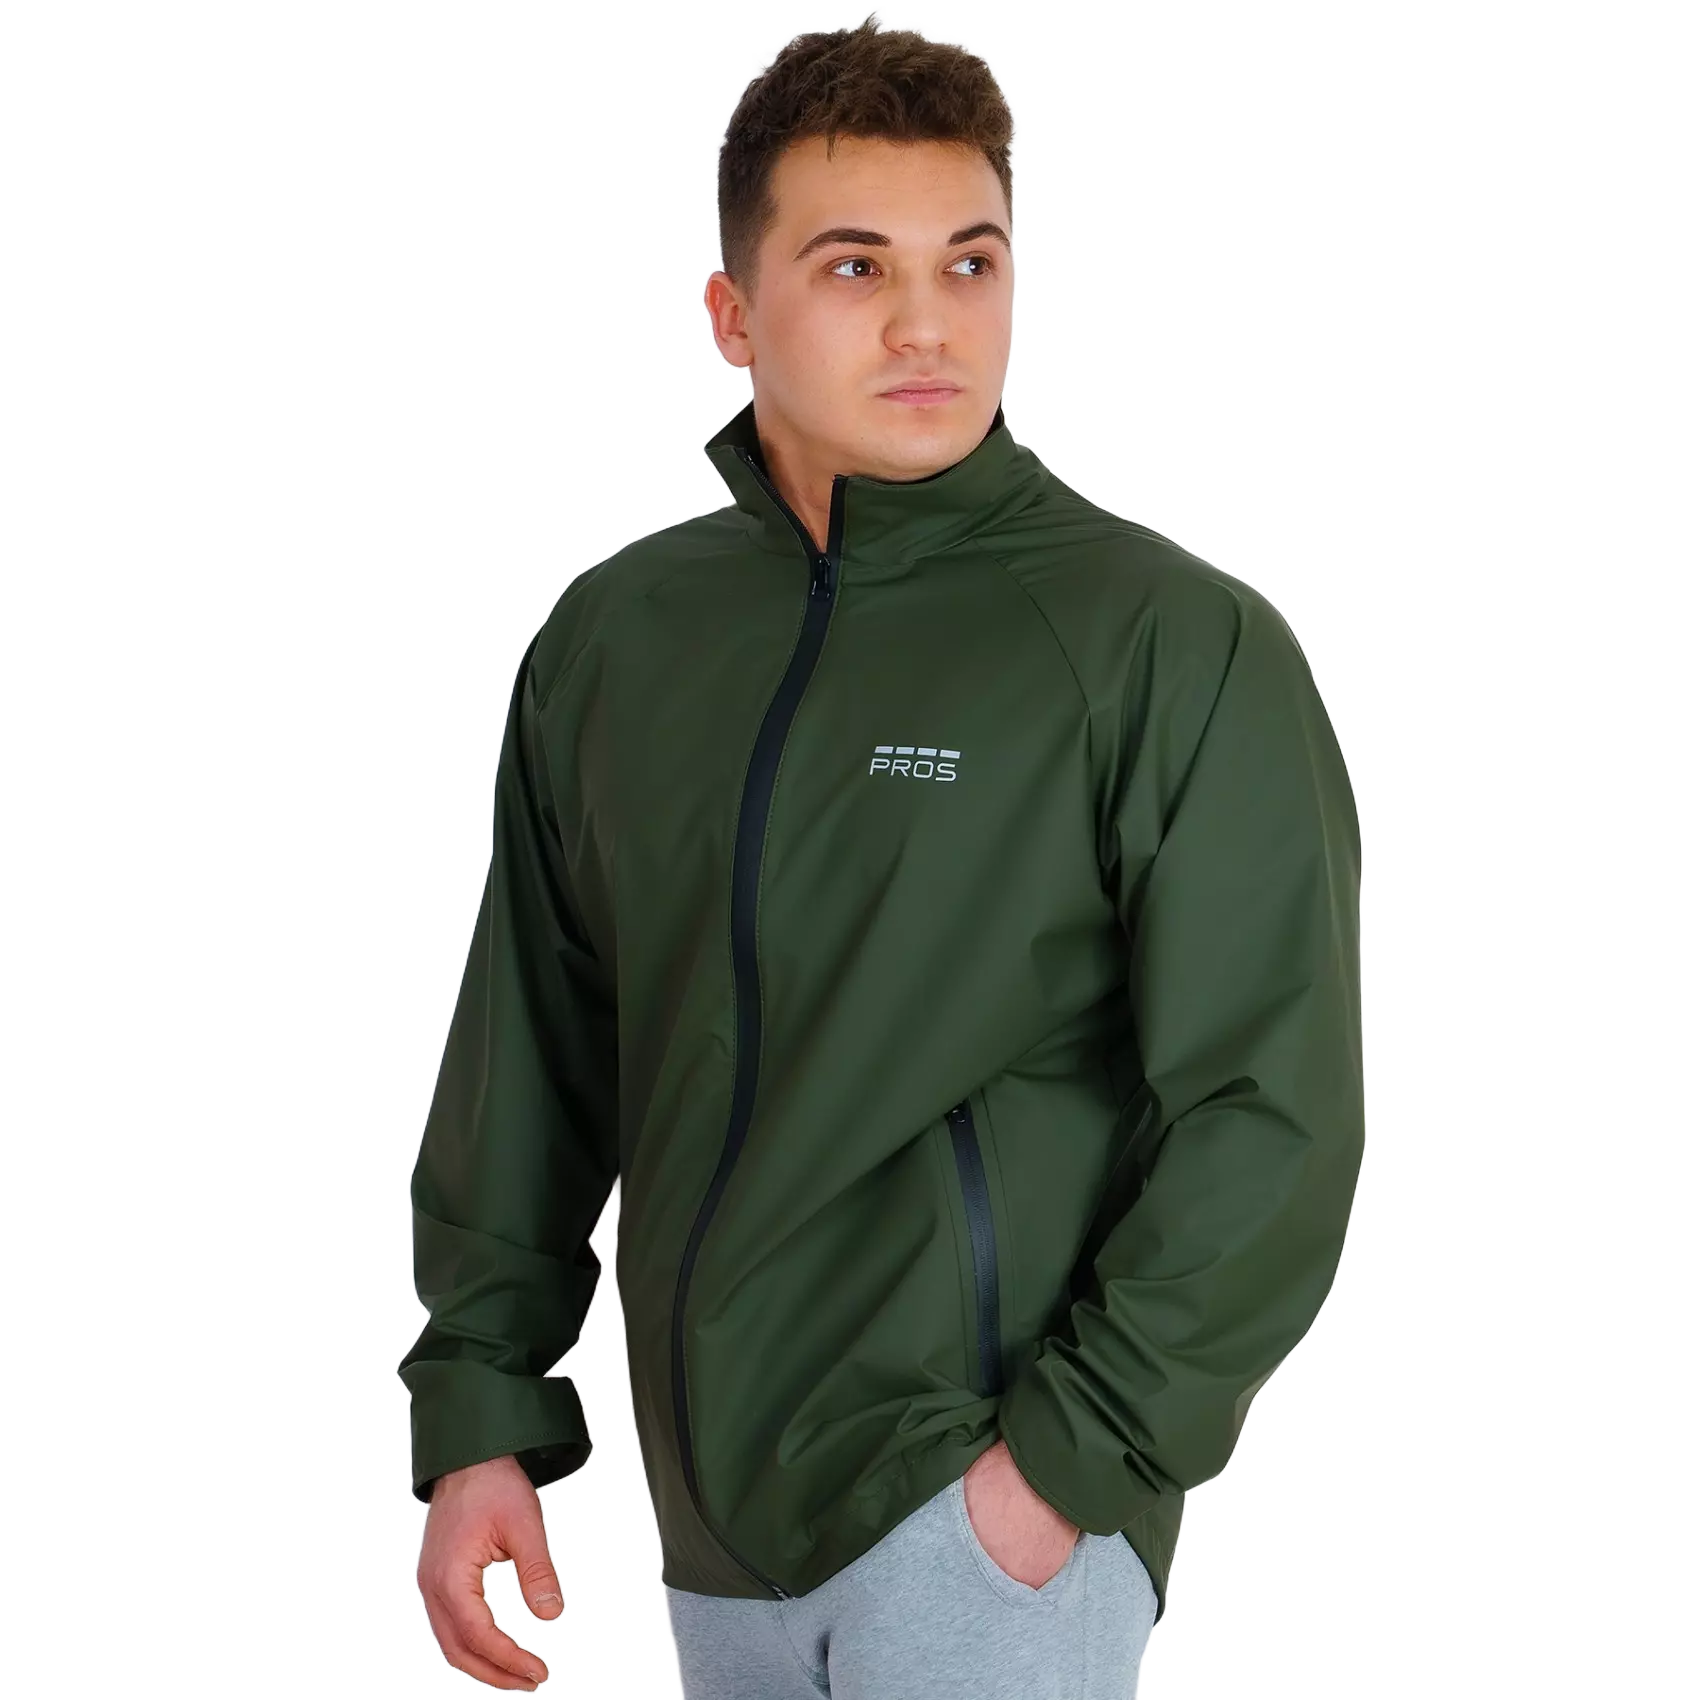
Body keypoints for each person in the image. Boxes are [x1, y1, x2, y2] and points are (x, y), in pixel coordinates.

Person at [398, 16, 1365, 1698]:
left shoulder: (1165, 641)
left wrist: (1067, 1467)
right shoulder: (620, 640)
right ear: (730, 314)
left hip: (976, 1511)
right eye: (857, 267)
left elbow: (1270, 1109)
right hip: (711, 1534)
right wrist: (482, 1414)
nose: (930, 322)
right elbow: (535, 1057)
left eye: (969, 262)